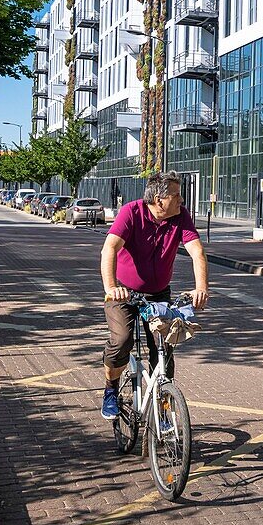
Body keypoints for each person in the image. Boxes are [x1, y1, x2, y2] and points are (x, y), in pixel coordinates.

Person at [99, 170, 209, 421]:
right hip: (124, 294)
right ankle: (110, 390)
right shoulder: (131, 212)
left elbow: (197, 252)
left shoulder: (180, 216)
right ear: (159, 200)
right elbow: (109, 249)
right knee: (122, 340)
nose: (182, 200)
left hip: (159, 294)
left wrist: (201, 287)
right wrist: (111, 287)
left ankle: (164, 406)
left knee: (164, 347)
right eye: (176, 195)